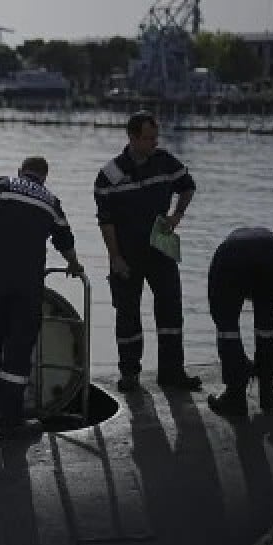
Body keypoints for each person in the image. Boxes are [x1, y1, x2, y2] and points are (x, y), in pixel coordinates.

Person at [0, 157, 83, 436]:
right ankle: (11, 420)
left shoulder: (0, 187)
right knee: (18, 348)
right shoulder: (51, 201)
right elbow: (65, 240)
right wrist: (74, 263)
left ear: (21, 171)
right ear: (44, 177)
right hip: (27, 283)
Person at [94, 110, 200, 392]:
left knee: (171, 310)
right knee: (127, 314)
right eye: (148, 138)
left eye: (156, 137)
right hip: (127, 250)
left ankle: (172, 372)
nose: (154, 143)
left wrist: (177, 216)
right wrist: (115, 257)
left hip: (161, 244)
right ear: (132, 137)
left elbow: (188, 187)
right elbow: (106, 221)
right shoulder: (110, 175)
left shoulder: (165, 161)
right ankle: (130, 373)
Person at [205, 227, 273, 417]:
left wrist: (237, 360)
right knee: (266, 322)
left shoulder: (223, 259)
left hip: (231, 259)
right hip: (270, 258)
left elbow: (218, 312)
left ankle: (234, 397)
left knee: (227, 328)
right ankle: (267, 391)